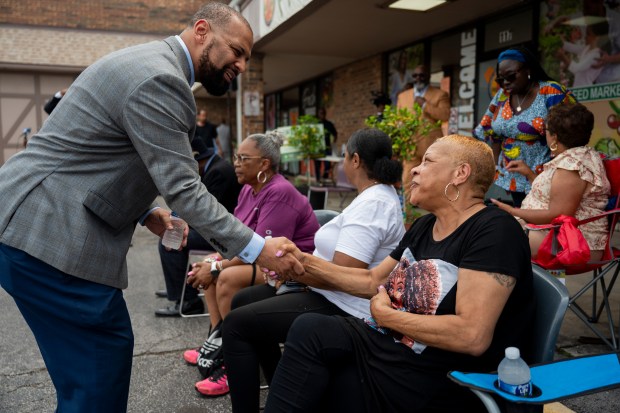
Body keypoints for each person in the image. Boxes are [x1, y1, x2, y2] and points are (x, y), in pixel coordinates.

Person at [0, 4, 302, 412]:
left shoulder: (148, 62)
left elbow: (101, 153)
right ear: (201, 31)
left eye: (247, 56)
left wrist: (147, 213)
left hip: (29, 226)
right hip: (51, 236)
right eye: (236, 51)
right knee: (99, 374)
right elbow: (184, 189)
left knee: (84, 379)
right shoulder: (163, 79)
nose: (243, 65)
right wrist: (257, 250)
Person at [263, 134, 535, 412]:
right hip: (390, 350)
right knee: (311, 330)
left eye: (427, 161)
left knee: (319, 356)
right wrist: (299, 263)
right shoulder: (425, 225)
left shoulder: (494, 231)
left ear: (460, 173)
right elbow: (373, 281)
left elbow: (471, 335)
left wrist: (386, 316)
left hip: (440, 375)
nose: (415, 168)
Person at [216, 128, 405, 408]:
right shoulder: (373, 196)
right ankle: (283, 383)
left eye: (343, 157)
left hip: (346, 306)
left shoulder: (374, 203)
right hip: (328, 292)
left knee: (236, 325)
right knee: (242, 300)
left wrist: (295, 269)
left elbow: (343, 276)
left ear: (354, 160)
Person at [182, 131, 320, 392]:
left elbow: (264, 252)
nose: (235, 162)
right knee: (211, 262)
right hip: (263, 261)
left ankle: (234, 361)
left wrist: (215, 267)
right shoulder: (248, 190)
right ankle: (218, 341)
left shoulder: (279, 192)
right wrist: (213, 261)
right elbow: (236, 238)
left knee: (224, 277)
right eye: (235, 157)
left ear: (264, 164)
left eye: (243, 158)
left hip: (288, 268)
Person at [490, 104, 611, 262]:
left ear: (554, 137)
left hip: (571, 243)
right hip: (555, 234)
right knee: (490, 229)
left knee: (492, 236)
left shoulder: (571, 167)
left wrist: (513, 211)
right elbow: (554, 195)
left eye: (545, 131)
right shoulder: (580, 156)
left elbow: (557, 214)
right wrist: (529, 174)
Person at [473, 46, 577, 208]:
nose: (506, 83)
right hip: (514, 175)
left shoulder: (551, 92)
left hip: (546, 175)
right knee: (525, 221)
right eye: (501, 79)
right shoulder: (502, 95)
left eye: (511, 76)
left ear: (528, 69)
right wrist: (494, 167)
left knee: (543, 223)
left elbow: (570, 134)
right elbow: (491, 132)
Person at [155, 137, 242, 317]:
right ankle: (178, 287)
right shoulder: (212, 168)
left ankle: (188, 301)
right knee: (172, 235)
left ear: (195, 160)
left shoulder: (218, 172)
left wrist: (179, 223)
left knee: (172, 241)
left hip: (223, 236)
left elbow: (205, 213)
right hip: (217, 231)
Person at [397, 64, 450, 226]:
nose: (418, 78)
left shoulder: (440, 94)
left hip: (431, 146)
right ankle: (409, 219)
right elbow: (399, 118)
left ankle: (434, 218)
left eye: (422, 75)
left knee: (433, 179)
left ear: (428, 76)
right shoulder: (403, 96)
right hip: (410, 146)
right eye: (415, 75)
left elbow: (444, 115)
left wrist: (425, 105)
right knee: (407, 179)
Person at [556, 23, 606, 87]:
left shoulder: (596, 55)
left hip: (585, 89)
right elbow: (569, 46)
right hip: (578, 88)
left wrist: (563, 57)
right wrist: (558, 37)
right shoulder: (586, 49)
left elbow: (577, 68)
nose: (585, 36)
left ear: (596, 37)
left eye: (588, 34)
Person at [313, 107, 338, 183]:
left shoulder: (329, 124)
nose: (322, 115)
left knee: (327, 165)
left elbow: (335, 134)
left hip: (327, 148)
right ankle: (318, 180)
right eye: (321, 113)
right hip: (317, 148)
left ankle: (324, 177)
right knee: (317, 165)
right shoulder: (315, 125)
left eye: (324, 113)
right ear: (318, 114)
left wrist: (333, 143)